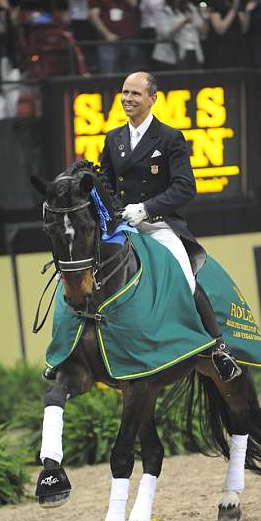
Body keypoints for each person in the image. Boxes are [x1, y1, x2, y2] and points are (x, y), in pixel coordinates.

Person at [100, 71, 242, 382]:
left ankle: (219, 349)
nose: (127, 99)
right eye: (124, 92)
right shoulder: (113, 139)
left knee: (186, 277)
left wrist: (146, 209)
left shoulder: (169, 137)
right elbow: (107, 186)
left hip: (159, 225)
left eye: (135, 94)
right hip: (125, 227)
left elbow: (185, 187)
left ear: (152, 99)